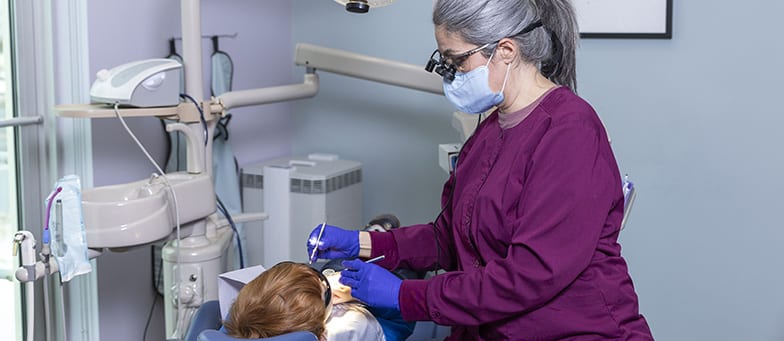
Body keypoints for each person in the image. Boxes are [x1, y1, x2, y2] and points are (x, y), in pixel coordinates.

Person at [307, 0, 654, 339]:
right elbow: (452, 238)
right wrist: (362, 243)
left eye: (457, 61)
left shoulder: (570, 131)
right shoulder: (489, 132)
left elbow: (530, 275)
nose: (450, 74)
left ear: (506, 51)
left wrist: (406, 295)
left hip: (574, 330)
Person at [223, 262, 385, 340]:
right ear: (320, 332)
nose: (326, 282)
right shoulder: (352, 324)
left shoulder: (242, 316)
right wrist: (354, 295)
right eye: (325, 292)